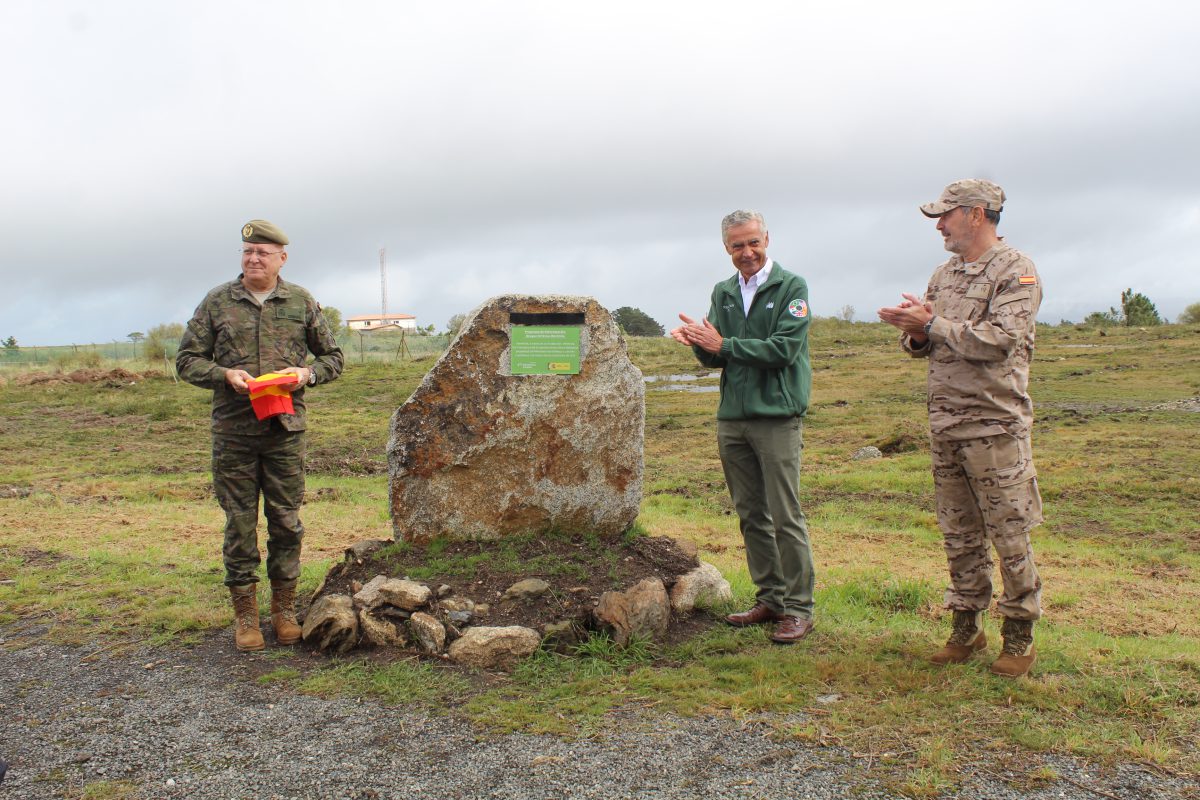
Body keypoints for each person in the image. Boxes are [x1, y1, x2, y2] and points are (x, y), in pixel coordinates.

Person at [878, 179, 1043, 677]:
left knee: (1009, 535)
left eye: (945, 215)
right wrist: (914, 332)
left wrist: (933, 325)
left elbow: (1000, 341)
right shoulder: (944, 274)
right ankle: (965, 629)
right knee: (959, 534)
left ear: (976, 214)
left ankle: (1019, 637)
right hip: (946, 424)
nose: (939, 225)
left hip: (994, 428)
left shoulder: (1017, 271)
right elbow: (928, 344)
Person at [177, 219, 344, 651]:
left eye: (263, 253)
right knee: (240, 524)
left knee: (286, 522)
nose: (254, 259)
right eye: (248, 252)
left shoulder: (301, 301)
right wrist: (224, 374)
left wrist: (306, 373)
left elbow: (333, 358)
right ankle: (246, 618)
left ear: (281, 258)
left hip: (284, 431)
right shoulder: (217, 302)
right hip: (234, 432)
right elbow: (186, 361)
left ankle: (284, 612)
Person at [671, 210, 815, 644]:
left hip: (776, 417)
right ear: (726, 248)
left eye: (754, 242)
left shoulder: (792, 287)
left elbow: (785, 349)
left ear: (767, 239)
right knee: (751, 514)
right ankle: (770, 598)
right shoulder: (724, 291)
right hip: (733, 419)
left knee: (785, 515)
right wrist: (699, 344)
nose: (747, 252)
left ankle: (799, 608)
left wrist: (724, 344)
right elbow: (719, 356)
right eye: (738, 245)